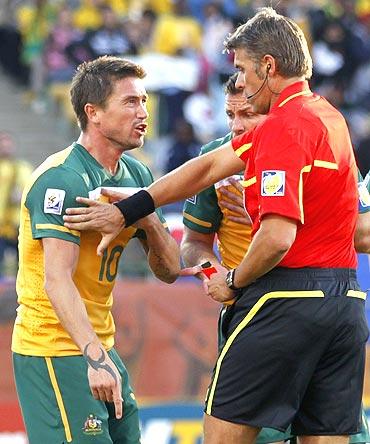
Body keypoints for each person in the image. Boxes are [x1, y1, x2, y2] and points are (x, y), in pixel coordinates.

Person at [63, 8, 368, 444]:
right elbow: (209, 167)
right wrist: (132, 208)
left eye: (243, 69)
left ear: (268, 67)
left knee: (222, 436)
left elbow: (278, 237)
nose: (239, 82)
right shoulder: (330, 118)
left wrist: (231, 279)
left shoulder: (282, 127)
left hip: (283, 300)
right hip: (347, 304)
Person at [11, 55, 180, 444]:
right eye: (131, 102)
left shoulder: (137, 175)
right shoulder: (61, 179)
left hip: (101, 344)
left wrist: (146, 217)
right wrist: (94, 358)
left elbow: (170, 270)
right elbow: (56, 281)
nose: (143, 113)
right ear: (94, 113)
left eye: (144, 101)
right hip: (54, 347)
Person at [181, 73, 292, 444]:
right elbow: (194, 241)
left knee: (335, 428)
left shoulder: (310, 145)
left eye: (248, 114)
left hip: (308, 298)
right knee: (245, 429)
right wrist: (218, 276)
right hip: (246, 304)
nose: (237, 126)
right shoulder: (215, 157)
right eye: (230, 116)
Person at [0, 131, 32, 277]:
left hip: (16, 224)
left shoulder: (23, 168)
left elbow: (31, 190)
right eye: (2, 142)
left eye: (7, 142)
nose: (5, 145)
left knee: (24, 265)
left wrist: (22, 195)